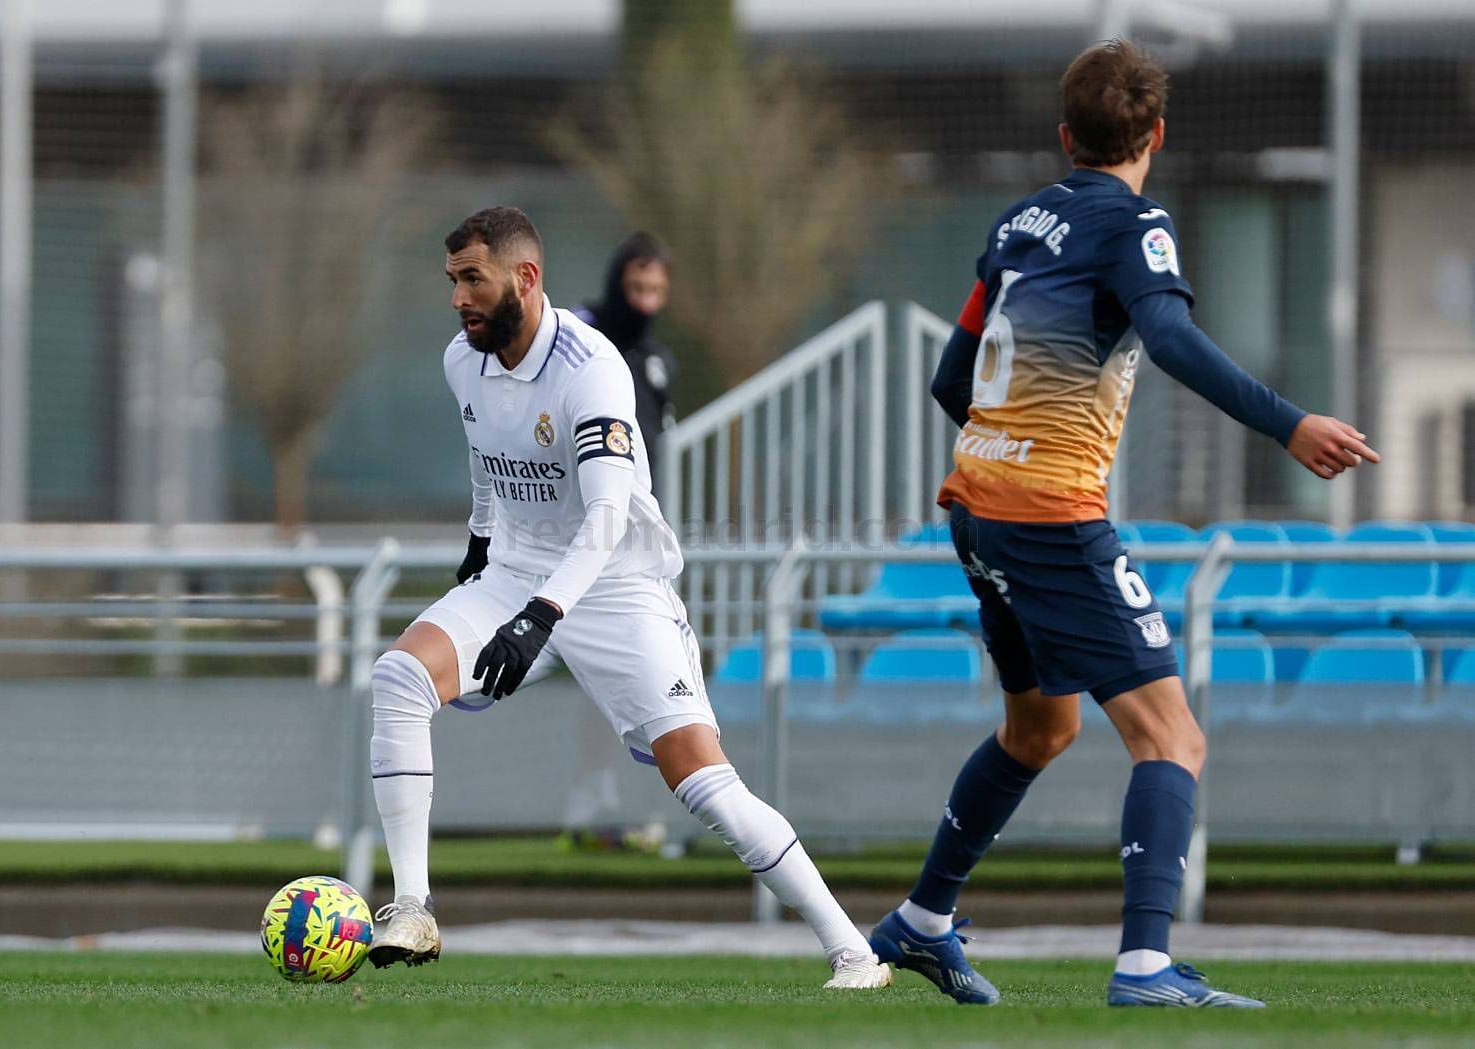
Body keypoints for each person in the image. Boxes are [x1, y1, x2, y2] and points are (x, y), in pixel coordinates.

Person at [867, 40, 1378, 1008]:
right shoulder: (1136, 223)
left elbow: (951, 380)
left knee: (1037, 727)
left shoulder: (1016, 225)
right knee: (1172, 737)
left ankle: (922, 920)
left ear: (1067, 137)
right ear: (1155, 135)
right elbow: (1173, 335)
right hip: (1050, 516)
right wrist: (1290, 423)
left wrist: (1012, 444)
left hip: (976, 505)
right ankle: (1145, 962)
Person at [366, 206, 890, 990]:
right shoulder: (461, 360)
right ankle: (412, 907)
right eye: (453, 281)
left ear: (525, 278)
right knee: (399, 677)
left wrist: (542, 617)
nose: (459, 298)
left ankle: (854, 952)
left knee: (704, 784)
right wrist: (479, 548)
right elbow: (485, 453)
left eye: (472, 279)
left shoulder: (592, 366)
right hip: (513, 572)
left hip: (616, 586)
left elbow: (608, 516)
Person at [573, 233, 678, 468]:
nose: (646, 303)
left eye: (655, 291)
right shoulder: (581, 332)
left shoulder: (657, 360)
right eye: (637, 288)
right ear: (617, 284)